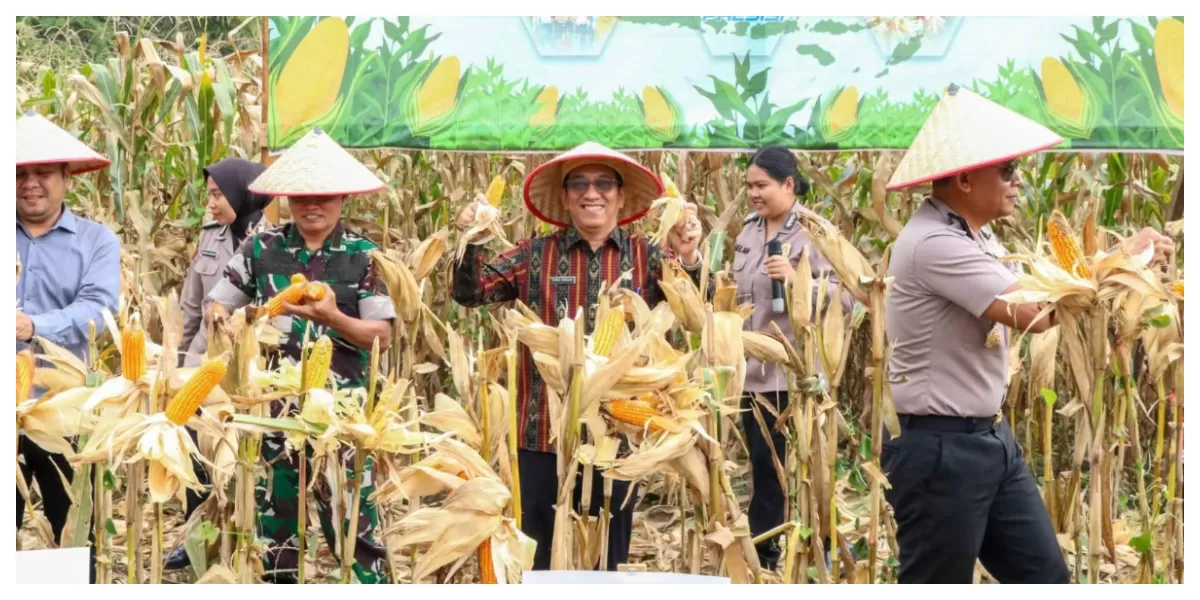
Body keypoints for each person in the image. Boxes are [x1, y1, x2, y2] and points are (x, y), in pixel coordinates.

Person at [881, 84, 1174, 584]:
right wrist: (1127, 258)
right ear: (967, 178)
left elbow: (1045, 290)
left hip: (990, 441)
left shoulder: (976, 235)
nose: (1018, 182)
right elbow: (1038, 311)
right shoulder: (935, 244)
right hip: (942, 454)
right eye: (1008, 170)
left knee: (1045, 580)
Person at [451, 141, 704, 571]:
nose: (593, 193)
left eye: (604, 183)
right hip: (542, 433)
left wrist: (691, 256)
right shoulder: (535, 255)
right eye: (580, 184)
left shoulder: (647, 256)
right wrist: (470, 241)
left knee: (609, 557)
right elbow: (470, 293)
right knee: (543, 558)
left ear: (621, 197)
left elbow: (700, 311)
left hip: (619, 433)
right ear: (566, 197)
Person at [206, 128, 396, 584]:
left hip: (343, 418)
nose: (314, 205)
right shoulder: (260, 248)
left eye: (325, 196)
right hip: (272, 416)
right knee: (275, 535)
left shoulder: (365, 258)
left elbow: (381, 336)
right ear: (287, 198)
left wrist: (332, 317)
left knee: (355, 531)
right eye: (302, 195)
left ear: (343, 198)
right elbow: (216, 304)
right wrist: (230, 324)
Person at [732, 146, 850, 569]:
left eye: (761, 185)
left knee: (809, 467)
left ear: (788, 184)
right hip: (751, 371)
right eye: (749, 186)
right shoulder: (747, 232)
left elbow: (851, 297)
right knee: (765, 468)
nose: (753, 194)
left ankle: (826, 552)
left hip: (795, 374)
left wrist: (803, 286)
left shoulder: (816, 232)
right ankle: (765, 555)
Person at [15, 110, 121, 584]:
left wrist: (32, 325)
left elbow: (100, 310)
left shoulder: (97, 242)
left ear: (65, 178)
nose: (30, 184)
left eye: (42, 173)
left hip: (65, 408)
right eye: (19, 173)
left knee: (73, 532)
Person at [165, 156, 272, 570]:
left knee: (244, 461)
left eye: (217, 194)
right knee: (197, 457)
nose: (210, 203)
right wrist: (175, 368)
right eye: (208, 194)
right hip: (200, 369)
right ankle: (196, 541)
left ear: (244, 193)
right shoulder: (209, 237)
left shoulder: (274, 242)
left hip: (249, 376)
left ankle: (246, 545)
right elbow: (192, 307)